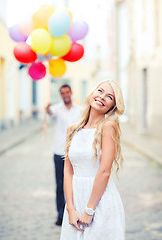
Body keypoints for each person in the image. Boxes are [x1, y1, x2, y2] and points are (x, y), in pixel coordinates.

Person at [60, 80, 125, 239]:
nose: (102, 97)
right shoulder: (72, 129)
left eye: (109, 97)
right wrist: (70, 209)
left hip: (99, 202)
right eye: (100, 91)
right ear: (92, 92)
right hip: (75, 202)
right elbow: (68, 171)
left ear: (112, 106)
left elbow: (104, 172)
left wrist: (89, 210)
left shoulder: (108, 126)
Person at [46, 84, 82, 226]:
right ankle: (61, 214)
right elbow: (50, 112)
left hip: (75, 152)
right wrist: (47, 108)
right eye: (62, 93)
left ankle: (74, 212)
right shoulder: (56, 109)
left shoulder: (79, 110)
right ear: (60, 95)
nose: (65, 95)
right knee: (60, 184)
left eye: (67, 92)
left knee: (75, 184)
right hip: (59, 152)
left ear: (71, 93)